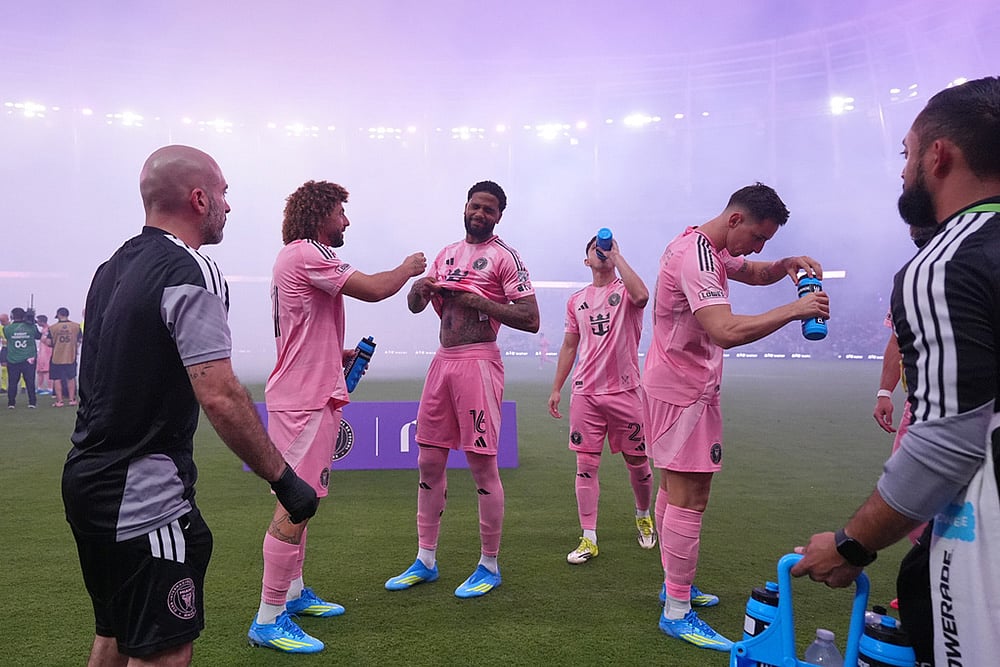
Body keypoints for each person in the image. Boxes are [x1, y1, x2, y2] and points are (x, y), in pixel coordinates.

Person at [61, 145, 319, 667]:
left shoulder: (108, 268)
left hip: (86, 481)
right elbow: (219, 392)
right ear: (199, 199)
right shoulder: (191, 268)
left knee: (115, 634)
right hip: (143, 494)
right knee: (164, 652)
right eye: (224, 193)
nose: (229, 206)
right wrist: (285, 480)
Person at [792, 76, 1000, 666]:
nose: (904, 169)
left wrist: (852, 545)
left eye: (907, 153)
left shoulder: (947, 260)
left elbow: (948, 444)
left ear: (938, 156)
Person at [642, 183, 828, 652]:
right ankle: (677, 611)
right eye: (759, 237)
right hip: (683, 392)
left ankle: (673, 588)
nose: (760, 249)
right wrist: (796, 310)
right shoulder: (698, 257)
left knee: (673, 487)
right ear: (736, 220)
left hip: (677, 386)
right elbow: (724, 330)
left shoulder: (705, 245)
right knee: (691, 493)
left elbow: (756, 273)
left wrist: (786, 267)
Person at [247, 181, 426, 654]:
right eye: (341, 213)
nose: (347, 222)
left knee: (302, 500)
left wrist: (335, 353)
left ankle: (293, 592)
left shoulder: (295, 258)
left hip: (307, 392)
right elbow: (372, 289)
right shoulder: (306, 252)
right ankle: (268, 617)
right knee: (296, 503)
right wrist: (408, 269)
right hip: (304, 400)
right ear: (320, 213)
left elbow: (303, 328)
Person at [385, 180, 539, 599]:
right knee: (428, 461)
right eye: (475, 206)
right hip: (443, 362)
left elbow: (530, 318)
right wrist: (419, 290)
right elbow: (416, 306)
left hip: (479, 362)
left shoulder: (505, 257)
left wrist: (476, 301)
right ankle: (426, 560)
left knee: (482, 466)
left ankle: (489, 564)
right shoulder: (446, 254)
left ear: (499, 216)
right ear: (465, 206)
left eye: (489, 210)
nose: (480, 214)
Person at [547, 234, 656, 564]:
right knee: (586, 465)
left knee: (637, 461)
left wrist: (618, 256)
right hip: (586, 394)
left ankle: (643, 515)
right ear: (587, 260)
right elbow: (569, 345)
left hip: (626, 392)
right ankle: (589, 537)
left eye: (607, 249)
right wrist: (557, 388)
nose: (602, 253)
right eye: (597, 250)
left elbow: (643, 296)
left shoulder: (624, 292)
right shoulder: (576, 301)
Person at [3, 307, 41, 409]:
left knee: (13, 382)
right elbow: (38, 336)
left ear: (12, 316)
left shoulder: (7, 328)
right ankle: (32, 402)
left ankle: (11, 403)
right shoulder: (31, 327)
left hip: (13, 359)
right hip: (29, 359)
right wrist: (33, 322)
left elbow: (7, 336)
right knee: (30, 382)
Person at [47, 306, 83, 407]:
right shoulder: (76, 326)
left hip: (56, 357)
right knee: (71, 378)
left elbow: (49, 342)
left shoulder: (53, 327)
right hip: (70, 356)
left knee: (57, 379)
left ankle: (59, 401)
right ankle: (72, 400)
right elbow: (79, 340)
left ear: (59, 315)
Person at [34, 314, 52, 395]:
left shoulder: (48, 329)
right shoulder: (43, 329)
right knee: (40, 371)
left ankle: (50, 388)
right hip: (42, 352)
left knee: (47, 370)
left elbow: (44, 340)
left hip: (47, 352)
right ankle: (40, 387)